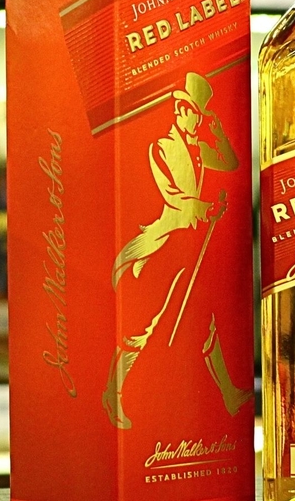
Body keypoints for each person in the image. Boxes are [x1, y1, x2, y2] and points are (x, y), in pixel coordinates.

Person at [102, 71, 252, 429]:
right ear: (180, 110)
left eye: (199, 115)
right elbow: (174, 197)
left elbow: (230, 163)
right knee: (143, 322)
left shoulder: (198, 148)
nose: (194, 120)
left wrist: (218, 132)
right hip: (166, 242)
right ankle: (112, 393)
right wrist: (205, 208)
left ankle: (228, 394)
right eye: (191, 113)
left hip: (192, 245)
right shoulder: (162, 146)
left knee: (205, 318)